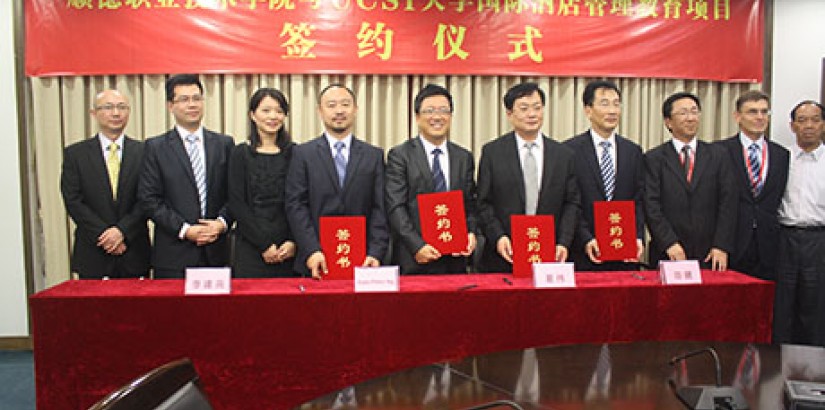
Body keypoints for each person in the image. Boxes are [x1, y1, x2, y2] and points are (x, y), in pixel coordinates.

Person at [285, 84, 389, 279]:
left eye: (345, 104)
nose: (339, 110)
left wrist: (375, 252)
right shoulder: (302, 154)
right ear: (320, 111)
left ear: (355, 109)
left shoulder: (373, 155)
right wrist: (311, 250)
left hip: (364, 263)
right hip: (316, 261)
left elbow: (380, 208)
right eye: (331, 105)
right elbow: (296, 205)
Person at [477, 82, 581, 273]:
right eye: (524, 108)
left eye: (537, 107)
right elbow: (483, 203)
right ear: (509, 114)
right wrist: (499, 237)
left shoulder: (563, 155)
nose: (532, 114)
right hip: (505, 256)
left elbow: (572, 203)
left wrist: (563, 242)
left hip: (552, 255)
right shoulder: (493, 152)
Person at [138, 74, 235, 279]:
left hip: (216, 253)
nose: (192, 105)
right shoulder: (155, 148)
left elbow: (234, 194)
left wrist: (220, 223)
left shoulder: (224, 144)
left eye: (196, 98)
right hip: (173, 255)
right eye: (184, 99)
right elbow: (149, 200)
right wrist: (185, 230)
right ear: (170, 106)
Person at [385, 84, 478, 274]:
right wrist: (417, 246)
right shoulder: (400, 155)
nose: (437, 117)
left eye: (444, 110)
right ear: (417, 117)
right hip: (414, 260)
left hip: (455, 260)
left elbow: (470, 205)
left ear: (451, 116)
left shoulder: (463, 157)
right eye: (429, 111)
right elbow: (396, 207)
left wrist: (471, 233)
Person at [60, 89, 150, 279]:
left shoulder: (146, 152)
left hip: (133, 249)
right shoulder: (76, 154)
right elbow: (73, 201)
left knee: (136, 309)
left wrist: (122, 231)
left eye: (122, 107)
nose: (116, 113)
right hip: (93, 251)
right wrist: (105, 236)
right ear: (94, 113)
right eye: (108, 107)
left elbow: (148, 198)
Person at [644, 92, 737, 270]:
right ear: (668, 122)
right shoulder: (653, 158)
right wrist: (669, 242)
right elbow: (651, 206)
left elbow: (728, 203)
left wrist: (721, 245)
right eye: (683, 113)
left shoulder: (718, 155)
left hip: (710, 253)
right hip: (669, 252)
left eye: (694, 112)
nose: (690, 118)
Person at [563, 80, 645, 271]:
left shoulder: (632, 151)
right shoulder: (569, 151)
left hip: (624, 255)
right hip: (584, 254)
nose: (612, 111)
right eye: (604, 103)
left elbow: (638, 199)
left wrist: (638, 236)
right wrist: (586, 239)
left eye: (616, 104)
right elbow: (570, 202)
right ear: (588, 110)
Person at [717, 90, 789, 280]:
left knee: (765, 305)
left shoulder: (781, 155)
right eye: (753, 112)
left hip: (769, 244)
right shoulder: (719, 152)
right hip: (732, 242)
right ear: (737, 116)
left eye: (764, 112)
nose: (760, 117)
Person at [228, 88, 297, 278]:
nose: (273, 116)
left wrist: (293, 241)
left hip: (288, 249)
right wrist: (264, 245)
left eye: (279, 111)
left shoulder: (296, 153)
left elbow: (300, 201)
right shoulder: (239, 154)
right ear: (253, 115)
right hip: (251, 247)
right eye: (266, 110)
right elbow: (237, 203)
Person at [773, 100, 825, 346]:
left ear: (823, 125)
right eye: (802, 120)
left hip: (819, 240)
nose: (809, 126)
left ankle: (814, 371)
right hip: (785, 238)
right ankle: (779, 366)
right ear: (792, 126)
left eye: (815, 120)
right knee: (783, 305)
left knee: (814, 307)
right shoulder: (781, 158)